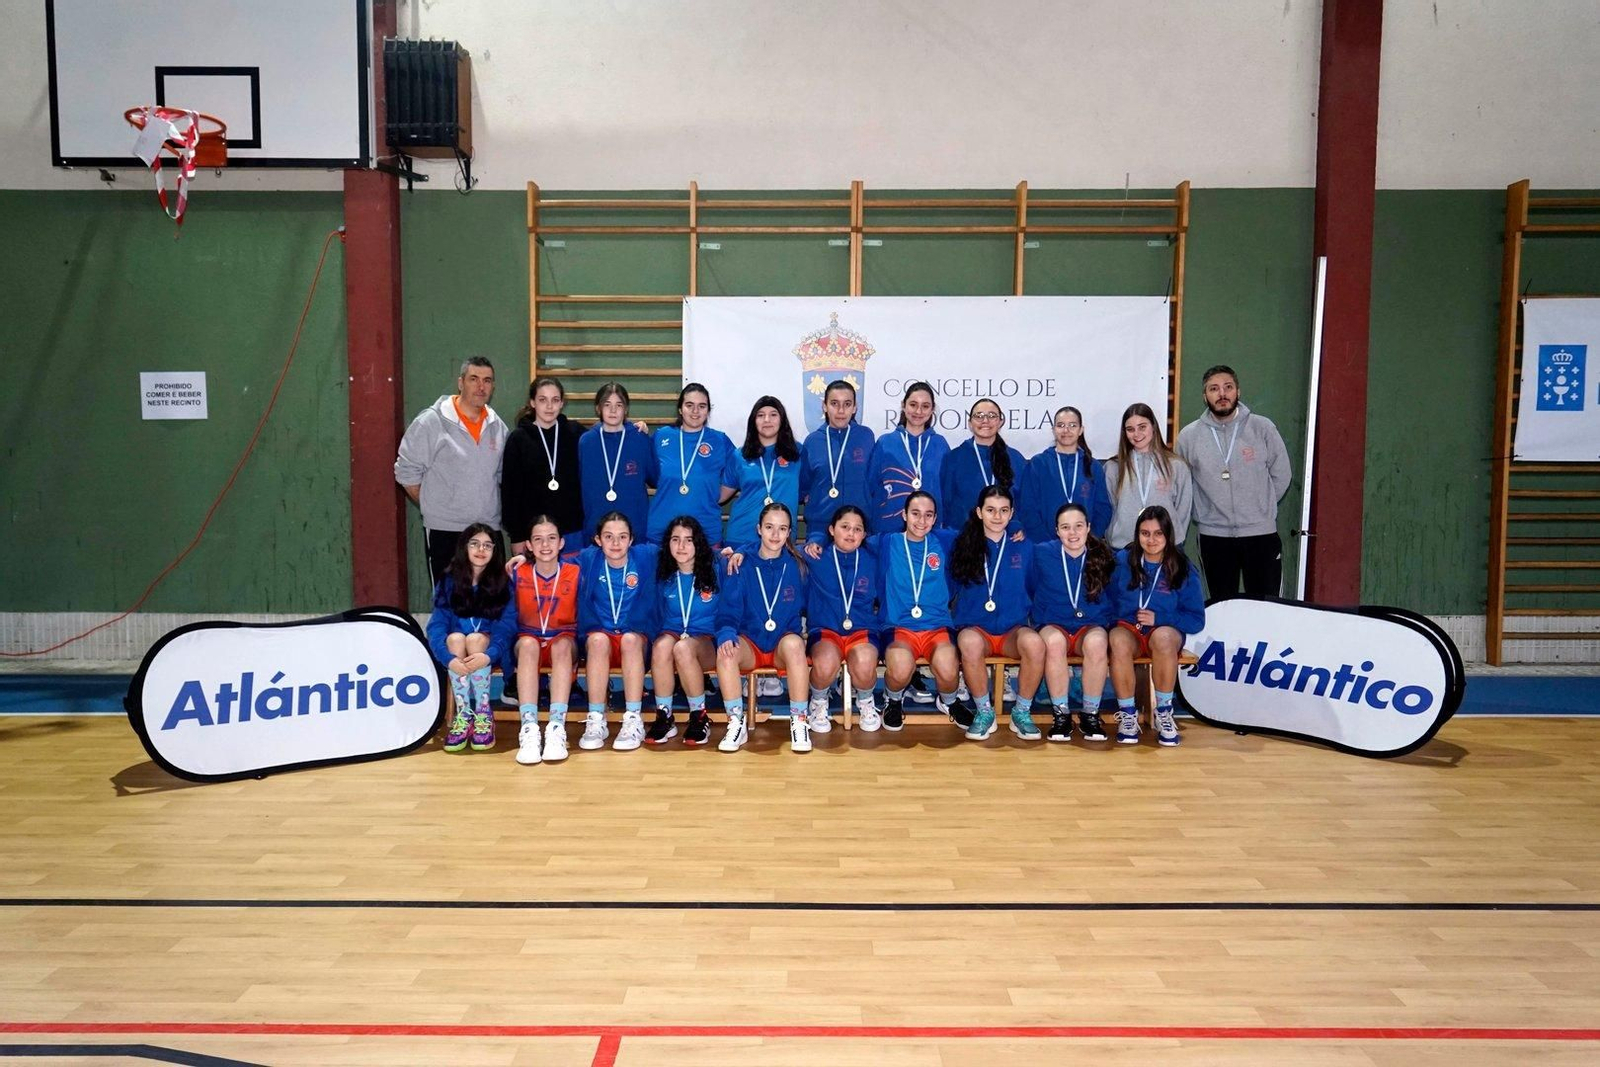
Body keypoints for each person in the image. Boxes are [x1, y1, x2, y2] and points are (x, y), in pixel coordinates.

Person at [1175, 365, 1293, 600]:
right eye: (1214, 389)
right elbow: (1183, 485)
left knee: (1267, 606)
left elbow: (1282, 475)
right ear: (1204, 395)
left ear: (1237, 391)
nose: (1222, 394)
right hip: (1213, 536)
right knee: (1222, 606)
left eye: (1228, 387)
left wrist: (1261, 507)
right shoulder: (1188, 437)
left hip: (1260, 534)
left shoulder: (1262, 428)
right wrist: (1204, 513)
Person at [395, 357, 508, 585]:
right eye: (473, 379)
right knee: (448, 602)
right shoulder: (431, 422)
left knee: (491, 600)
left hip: (488, 530)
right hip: (445, 531)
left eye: (487, 381)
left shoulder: (498, 427)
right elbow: (407, 473)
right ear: (460, 382)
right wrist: (436, 506)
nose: (480, 386)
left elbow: (500, 478)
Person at [948, 485, 1044, 741]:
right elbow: (949, 588)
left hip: (1012, 630)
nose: (997, 517)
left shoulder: (1024, 547)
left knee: (1035, 644)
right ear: (979, 512)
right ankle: (984, 711)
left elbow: (1034, 587)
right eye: (990, 510)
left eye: (1003, 511)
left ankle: (1021, 712)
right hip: (977, 629)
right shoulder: (962, 544)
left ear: (1012, 513)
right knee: (967, 642)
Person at [715, 503, 810, 753]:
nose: (775, 535)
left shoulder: (798, 565)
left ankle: (799, 720)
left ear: (790, 532)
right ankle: (736, 722)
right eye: (769, 527)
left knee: (796, 644)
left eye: (782, 529)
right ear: (758, 529)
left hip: (781, 644)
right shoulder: (740, 563)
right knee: (726, 651)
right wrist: (726, 633)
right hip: (751, 643)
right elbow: (728, 609)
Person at [1108, 505, 1205, 747]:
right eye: (1145, 533)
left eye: (1158, 533)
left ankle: (1164, 712)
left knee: (1162, 638)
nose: (1151, 540)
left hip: (1164, 632)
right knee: (1117, 640)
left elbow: (1196, 620)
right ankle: (1128, 715)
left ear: (1168, 535)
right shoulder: (1122, 561)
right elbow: (1107, 602)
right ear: (1137, 534)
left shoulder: (1182, 568)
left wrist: (1160, 618)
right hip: (1129, 630)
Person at [875, 491, 965, 730]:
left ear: (935, 518)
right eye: (915, 514)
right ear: (904, 514)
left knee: (948, 667)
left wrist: (1016, 526)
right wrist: (817, 540)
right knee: (901, 667)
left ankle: (948, 701)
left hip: (937, 626)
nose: (921, 521)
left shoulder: (945, 542)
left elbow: (982, 533)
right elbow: (850, 538)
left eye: (928, 515)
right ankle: (893, 700)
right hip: (899, 627)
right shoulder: (887, 542)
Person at [1030, 502, 1117, 743]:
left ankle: (1090, 714)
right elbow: (1029, 585)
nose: (1073, 533)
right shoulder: (1041, 553)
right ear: (1056, 530)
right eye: (1065, 527)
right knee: (1054, 643)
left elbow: (1114, 596)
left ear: (1088, 527)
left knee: (1098, 642)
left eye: (1078, 526)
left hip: (1089, 625)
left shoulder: (1103, 556)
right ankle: (1061, 714)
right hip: (1053, 623)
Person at [425, 525, 515, 754]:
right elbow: (436, 625)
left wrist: (489, 654)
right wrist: (448, 659)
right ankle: (464, 713)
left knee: (475, 638)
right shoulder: (448, 581)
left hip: (492, 652)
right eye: (474, 543)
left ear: (495, 550)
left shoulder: (503, 582)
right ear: (464, 547)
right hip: (457, 655)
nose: (481, 549)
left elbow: (507, 626)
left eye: (487, 545)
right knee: (454, 638)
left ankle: (484, 712)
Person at [575, 512, 660, 753]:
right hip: (601, 642)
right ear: (597, 539)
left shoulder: (646, 556)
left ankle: (633, 718)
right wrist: (522, 560)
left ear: (632, 540)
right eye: (608, 537)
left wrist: (732, 553)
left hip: (634, 642)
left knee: (632, 639)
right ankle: (596, 719)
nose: (615, 543)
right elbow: (549, 560)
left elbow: (686, 549)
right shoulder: (587, 559)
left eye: (622, 537)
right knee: (598, 639)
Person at [506, 516, 579, 765]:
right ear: (528, 544)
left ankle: (556, 726)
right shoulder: (516, 573)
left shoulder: (576, 571)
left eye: (551, 538)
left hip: (563, 640)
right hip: (529, 641)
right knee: (527, 644)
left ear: (562, 543)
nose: (545, 545)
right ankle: (529, 728)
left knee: (561, 645)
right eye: (538, 539)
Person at [805, 505, 883, 732]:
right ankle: (818, 702)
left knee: (865, 662)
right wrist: (741, 552)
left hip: (861, 629)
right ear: (831, 529)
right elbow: (775, 548)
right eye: (845, 527)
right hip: (826, 629)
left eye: (857, 529)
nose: (851, 533)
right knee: (826, 663)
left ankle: (866, 700)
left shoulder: (873, 559)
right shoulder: (815, 556)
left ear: (864, 535)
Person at [647, 516, 721, 748]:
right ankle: (664, 715)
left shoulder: (717, 568)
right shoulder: (662, 574)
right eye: (675, 540)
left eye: (688, 540)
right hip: (673, 633)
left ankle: (699, 716)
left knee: (683, 647)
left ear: (698, 543)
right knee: (661, 646)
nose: (681, 546)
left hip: (707, 640)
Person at [501, 377, 586, 562]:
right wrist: (516, 536)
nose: (549, 406)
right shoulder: (518, 439)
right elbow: (510, 492)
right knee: (535, 590)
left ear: (562, 403)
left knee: (571, 589)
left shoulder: (576, 434)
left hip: (572, 533)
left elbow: (606, 438)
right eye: (542, 400)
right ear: (532, 402)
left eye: (555, 400)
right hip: (533, 535)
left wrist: (634, 427)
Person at [649, 383, 735, 546]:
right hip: (662, 530)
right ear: (680, 409)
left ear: (708, 410)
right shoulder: (661, 436)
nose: (695, 411)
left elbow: (738, 473)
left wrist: (715, 496)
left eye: (701, 406)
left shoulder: (719, 440)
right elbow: (646, 472)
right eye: (689, 405)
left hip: (706, 531)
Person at [1103, 402, 1193, 549]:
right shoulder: (1113, 467)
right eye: (1130, 429)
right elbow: (1111, 507)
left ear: (1153, 427)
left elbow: (1183, 508)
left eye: (1142, 427)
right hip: (1124, 545)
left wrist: (1172, 537)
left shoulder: (1176, 465)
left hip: (1166, 546)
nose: (1136, 434)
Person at [801, 380, 876, 554]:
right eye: (834, 404)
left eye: (847, 404)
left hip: (858, 531)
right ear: (824, 406)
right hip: (820, 533)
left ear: (855, 408)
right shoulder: (812, 442)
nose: (841, 411)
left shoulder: (866, 437)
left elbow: (873, 480)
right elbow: (804, 486)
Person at [578, 382, 658, 546]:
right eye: (607, 405)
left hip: (634, 530)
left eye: (618, 405)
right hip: (596, 530)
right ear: (598, 408)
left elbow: (656, 478)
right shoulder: (586, 442)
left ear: (626, 409)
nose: (613, 410)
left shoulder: (639, 439)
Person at [867, 381, 950, 534]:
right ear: (903, 406)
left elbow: (947, 491)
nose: (918, 411)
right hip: (889, 530)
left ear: (932, 410)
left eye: (925, 406)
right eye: (913, 404)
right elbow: (871, 487)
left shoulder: (940, 444)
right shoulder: (885, 443)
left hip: (930, 531)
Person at [722, 396, 803, 552]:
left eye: (773, 414)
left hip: (780, 538)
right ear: (753, 421)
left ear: (782, 420)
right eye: (760, 415)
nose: (767, 419)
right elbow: (721, 495)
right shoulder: (739, 455)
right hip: (741, 536)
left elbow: (807, 490)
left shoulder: (798, 452)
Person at [1020, 405, 1113, 541]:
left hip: (1085, 547)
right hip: (1046, 546)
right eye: (1061, 425)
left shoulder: (1093, 466)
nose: (1066, 430)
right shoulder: (1038, 464)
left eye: (1072, 425)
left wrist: (1089, 539)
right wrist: (1048, 544)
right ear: (1053, 430)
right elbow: (1028, 508)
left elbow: (1102, 508)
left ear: (1081, 430)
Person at [941, 398, 1025, 536]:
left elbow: (1025, 503)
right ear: (970, 423)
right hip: (964, 539)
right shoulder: (954, 458)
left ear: (1000, 421)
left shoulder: (1015, 459)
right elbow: (946, 503)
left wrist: (1019, 527)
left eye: (992, 416)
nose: (985, 421)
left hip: (1007, 539)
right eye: (979, 416)